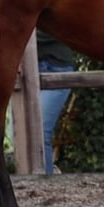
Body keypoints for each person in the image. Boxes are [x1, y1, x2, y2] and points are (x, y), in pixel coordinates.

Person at [35, 29, 75, 174]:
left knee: (40, 131)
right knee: (22, 132)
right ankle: (46, 172)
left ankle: (47, 179)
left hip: (57, 69)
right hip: (29, 71)